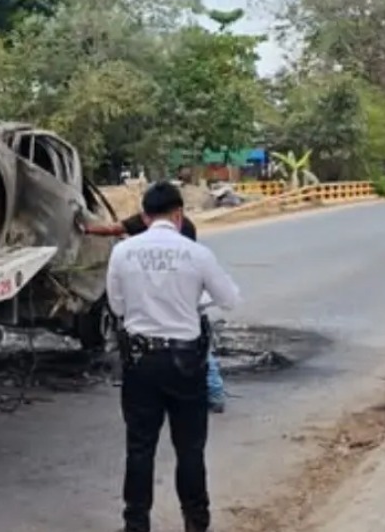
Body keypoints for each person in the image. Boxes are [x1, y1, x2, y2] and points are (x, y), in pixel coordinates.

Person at [105, 182, 241, 532]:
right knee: (190, 450)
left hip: (139, 362)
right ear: (179, 214)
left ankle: (136, 524)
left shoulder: (123, 252)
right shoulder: (196, 254)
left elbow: (117, 306)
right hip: (186, 363)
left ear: (146, 216)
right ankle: (196, 522)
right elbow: (230, 299)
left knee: (139, 449)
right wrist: (194, 299)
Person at [79, 211, 228, 413]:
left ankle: (200, 393)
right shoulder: (183, 226)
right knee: (195, 348)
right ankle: (213, 394)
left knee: (155, 351)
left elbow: (113, 229)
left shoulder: (143, 224)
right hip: (183, 299)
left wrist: (85, 228)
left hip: (160, 300)